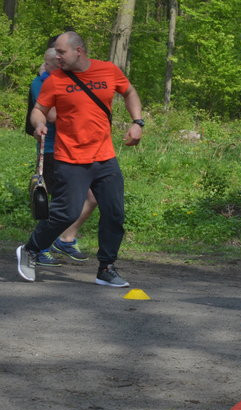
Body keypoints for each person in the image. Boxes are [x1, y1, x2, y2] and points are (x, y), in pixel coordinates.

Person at [16, 31, 144, 287]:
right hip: (70, 158)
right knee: (66, 213)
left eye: (61, 52)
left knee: (115, 213)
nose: (57, 56)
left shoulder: (108, 71)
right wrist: (39, 124)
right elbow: (38, 111)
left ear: (79, 51)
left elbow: (129, 92)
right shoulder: (55, 80)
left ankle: (106, 267)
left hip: (105, 158)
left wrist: (137, 122)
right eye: (56, 52)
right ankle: (30, 249)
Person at [28, 44, 98, 267]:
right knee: (58, 203)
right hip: (52, 150)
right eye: (55, 62)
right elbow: (53, 114)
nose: (61, 64)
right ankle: (41, 248)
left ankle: (66, 238)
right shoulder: (41, 83)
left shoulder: (69, 80)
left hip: (75, 150)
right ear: (47, 63)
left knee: (91, 197)